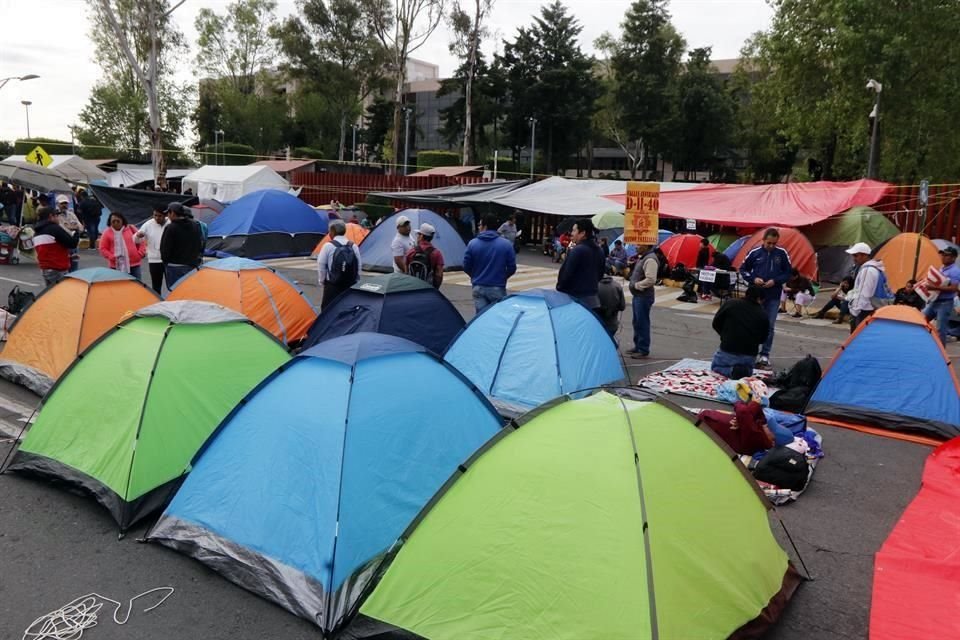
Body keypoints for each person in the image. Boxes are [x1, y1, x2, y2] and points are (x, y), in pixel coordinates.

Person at [739, 227, 792, 367]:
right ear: (763, 240)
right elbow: (743, 269)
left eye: (774, 243)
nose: (771, 246)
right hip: (755, 295)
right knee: (751, 323)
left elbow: (788, 273)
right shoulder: (754, 252)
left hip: (773, 295)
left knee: (769, 325)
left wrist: (776, 281)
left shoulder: (782, 254)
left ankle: (764, 354)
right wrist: (753, 279)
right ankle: (749, 352)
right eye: (769, 243)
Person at [710, 285, 771, 378]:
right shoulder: (763, 314)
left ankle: (733, 371)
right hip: (749, 354)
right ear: (759, 299)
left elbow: (716, 323)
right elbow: (763, 338)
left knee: (716, 367)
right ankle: (743, 372)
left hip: (728, 350)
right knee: (746, 370)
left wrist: (725, 335)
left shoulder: (730, 303)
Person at [463, 214, 517, 313]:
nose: (479, 227)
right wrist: (502, 277)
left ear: (485, 226)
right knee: (497, 317)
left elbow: (466, 266)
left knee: (480, 318)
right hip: (497, 286)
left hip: (478, 286)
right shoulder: (506, 245)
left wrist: (475, 276)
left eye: (480, 225)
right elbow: (512, 267)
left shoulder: (472, 244)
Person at [556, 219, 606, 311]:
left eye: (574, 230)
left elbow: (565, 275)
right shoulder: (599, 250)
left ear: (582, 233)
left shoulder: (577, 250)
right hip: (593, 300)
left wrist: (560, 289)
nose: (572, 233)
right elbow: (600, 274)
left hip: (575, 300)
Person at [317, 219, 362, 308]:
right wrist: (356, 280)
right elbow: (359, 265)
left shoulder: (328, 246)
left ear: (333, 231)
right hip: (349, 284)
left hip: (332, 285)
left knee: (328, 310)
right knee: (346, 308)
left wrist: (322, 281)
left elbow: (321, 264)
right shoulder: (353, 246)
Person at [33, 205, 79, 287]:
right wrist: (76, 231)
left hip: (45, 268)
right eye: (57, 216)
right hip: (57, 268)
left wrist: (68, 256)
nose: (58, 218)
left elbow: (51, 249)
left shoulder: (37, 232)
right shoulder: (54, 228)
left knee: (50, 295)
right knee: (62, 296)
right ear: (51, 216)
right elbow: (72, 243)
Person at [160, 202, 204, 288]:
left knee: (175, 292)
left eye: (168, 213)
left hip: (175, 266)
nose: (167, 216)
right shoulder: (195, 225)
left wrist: (165, 262)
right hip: (192, 265)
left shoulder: (171, 228)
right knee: (189, 291)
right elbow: (199, 243)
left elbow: (165, 249)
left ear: (172, 213)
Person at [923, 246, 960, 344]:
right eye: (943, 254)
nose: (943, 257)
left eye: (947, 255)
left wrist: (934, 288)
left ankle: (941, 355)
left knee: (940, 330)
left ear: (953, 258)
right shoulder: (942, 268)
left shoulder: (954, 271)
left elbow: (954, 288)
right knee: (921, 320)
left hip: (945, 303)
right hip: (935, 301)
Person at [627, 244, 658, 358]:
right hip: (638, 295)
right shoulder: (643, 257)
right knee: (637, 321)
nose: (636, 246)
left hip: (643, 296)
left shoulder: (650, 259)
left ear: (646, 246)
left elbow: (651, 279)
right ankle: (638, 346)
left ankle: (643, 349)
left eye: (639, 244)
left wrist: (637, 285)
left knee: (642, 322)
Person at [846, 242, 883, 332]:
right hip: (870, 308)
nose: (854, 258)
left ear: (864, 255)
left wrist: (855, 311)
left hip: (863, 310)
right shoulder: (875, 268)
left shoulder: (868, 270)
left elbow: (864, 294)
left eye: (855, 255)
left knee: (856, 338)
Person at [98, 212, 145, 279]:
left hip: (134, 264)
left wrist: (140, 253)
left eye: (118, 221)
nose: (116, 223)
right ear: (110, 222)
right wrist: (111, 257)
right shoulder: (107, 232)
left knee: (137, 285)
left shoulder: (131, 228)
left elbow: (141, 241)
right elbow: (103, 248)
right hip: (116, 266)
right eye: (113, 221)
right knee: (118, 287)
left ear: (122, 220)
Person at [136, 207, 169, 293]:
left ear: (165, 216)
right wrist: (138, 236)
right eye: (155, 215)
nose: (157, 218)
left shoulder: (170, 223)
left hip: (169, 260)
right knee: (156, 286)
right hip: (154, 260)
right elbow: (136, 240)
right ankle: (157, 304)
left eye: (160, 216)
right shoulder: (148, 224)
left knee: (172, 285)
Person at [405, 223, 445, 288]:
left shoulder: (411, 252)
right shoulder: (437, 253)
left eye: (418, 234)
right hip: (428, 289)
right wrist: (435, 288)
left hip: (412, 288)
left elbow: (406, 272)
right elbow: (439, 275)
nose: (417, 236)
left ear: (421, 236)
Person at [55, 194, 82, 272]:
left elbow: (80, 227)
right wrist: (72, 227)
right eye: (62, 203)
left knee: (74, 268)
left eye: (65, 203)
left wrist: (72, 227)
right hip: (63, 245)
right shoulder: (56, 216)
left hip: (74, 245)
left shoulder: (71, 214)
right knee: (64, 268)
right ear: (57, 204)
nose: (64, 205)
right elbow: (61, 229)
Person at [597, 274, 626, 340]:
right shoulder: (617, 286)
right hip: (612, 324)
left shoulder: (593, 286)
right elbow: (622, 307)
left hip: (597, 324)